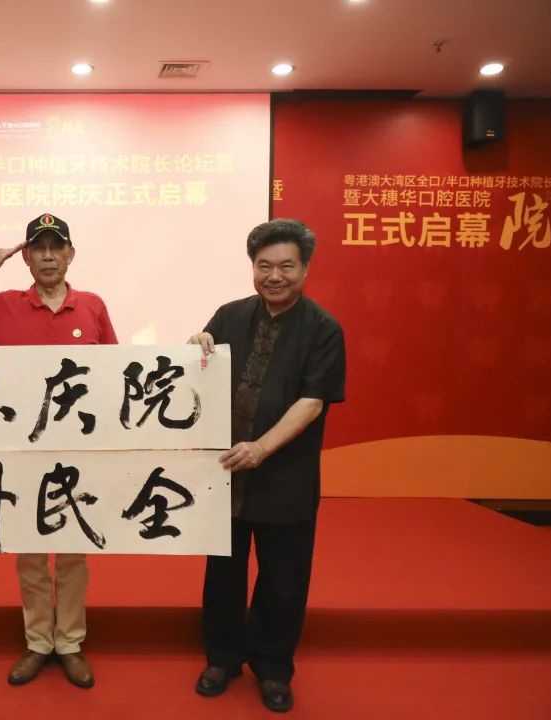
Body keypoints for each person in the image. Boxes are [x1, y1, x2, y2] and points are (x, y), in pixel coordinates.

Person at [0, 212, 117, 689]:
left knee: (72, 552)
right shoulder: (4, 306)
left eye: (56, 248)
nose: (48, 257)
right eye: (39, 249)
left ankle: (69, 643)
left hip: (77, 450)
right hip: (20, 451)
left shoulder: (92, 306)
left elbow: (115, 374)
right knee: (31, 555)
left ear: (71, 254)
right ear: (27, 258)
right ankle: (38, 642)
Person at [188, 218, 345, 713]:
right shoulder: (229, 315)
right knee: (223, 575)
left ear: (305, 268)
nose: (274, 276)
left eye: (286, 266)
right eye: (264, 266)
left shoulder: (323, 329)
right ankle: (222, 659)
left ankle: (273, 668)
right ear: (252, 267)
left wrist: (261, 448)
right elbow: (198, 375)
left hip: (285, 477)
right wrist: (195, 347)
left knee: (283, 579)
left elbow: (312, 402)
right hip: (225, 473)